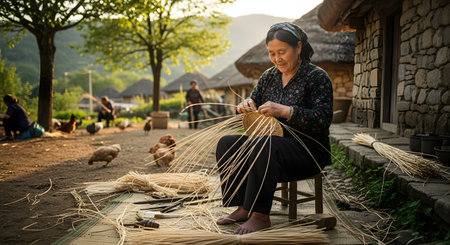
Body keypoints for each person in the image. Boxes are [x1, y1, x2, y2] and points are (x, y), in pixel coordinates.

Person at [215, 22, 333, 235]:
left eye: (282, 52)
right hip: (270, 145)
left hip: (307, 151)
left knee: (264, 144)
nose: (277, 58)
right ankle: (243, 207)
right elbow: (254, 99)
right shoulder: (269, 76)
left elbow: (323, 119)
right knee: (227, 143)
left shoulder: (316, 77)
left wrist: (286, 111)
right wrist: (246, 105)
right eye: (271, 53)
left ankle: (260, 215)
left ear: (298, 47)